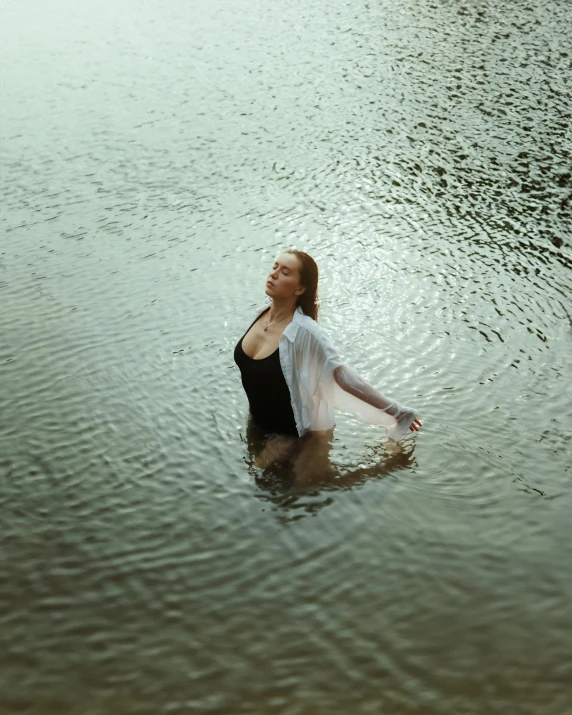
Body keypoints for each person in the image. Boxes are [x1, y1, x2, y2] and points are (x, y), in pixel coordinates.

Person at [233, 250, 422, 471]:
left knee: (264, 487)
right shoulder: (262, 311)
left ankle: (392, 463)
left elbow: (342, 375)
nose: (273, 274)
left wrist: (398, 411)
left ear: (300, 289)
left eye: (285, 272)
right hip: (256, 422)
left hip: (289, 434)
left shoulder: (306, 331)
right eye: (274, 266)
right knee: (256, 480)